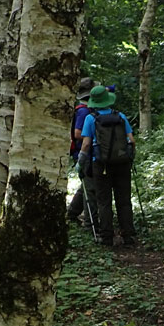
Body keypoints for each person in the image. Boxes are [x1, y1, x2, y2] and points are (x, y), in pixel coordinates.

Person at [78, 86, 137, 248]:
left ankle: (107, 237)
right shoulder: (121, 116)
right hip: (123, 163)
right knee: (124, 200)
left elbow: (86, 144)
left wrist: (80, 164)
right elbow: (131, 140)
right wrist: (130, 158)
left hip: (101, 164)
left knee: (103, 201)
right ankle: (129, 236)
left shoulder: (91, 119)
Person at [67, 77, 98, 231]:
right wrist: (92, 134)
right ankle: (89, 222)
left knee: (86, 185)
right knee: (90, 187)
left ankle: (72, 213)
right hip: (83, 153)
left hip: (87, 153)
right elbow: (78, 133)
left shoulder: (87, 109)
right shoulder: (84, 111)